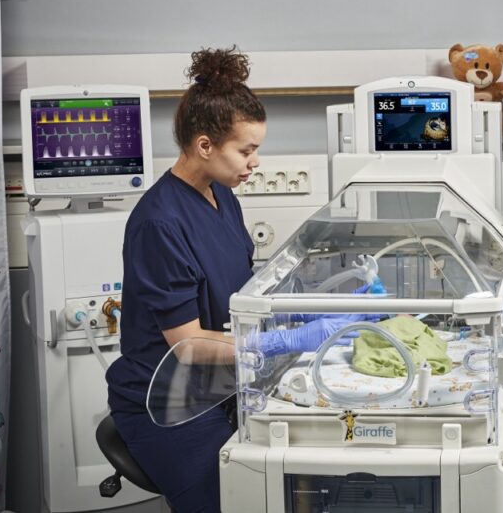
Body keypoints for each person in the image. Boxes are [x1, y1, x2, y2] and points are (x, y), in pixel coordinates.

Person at [105, 47, 373, 512]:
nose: (255, 162)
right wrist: (291, 339)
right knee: (233, 499)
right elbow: (187, 347)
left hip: (220, 385)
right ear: (205, 145)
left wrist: (311, 309)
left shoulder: (222, 196)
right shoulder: (159, 223)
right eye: (246, 150)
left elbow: (243, 296)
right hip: (167, 401)